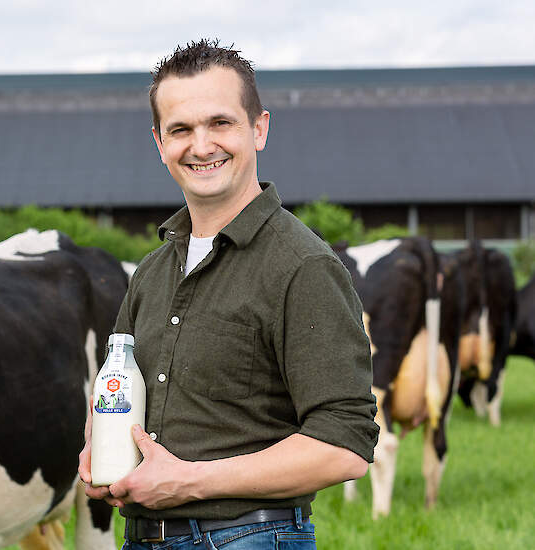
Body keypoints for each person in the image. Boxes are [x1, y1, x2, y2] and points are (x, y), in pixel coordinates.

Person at [78, 39, 379, 549]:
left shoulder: (303, 266)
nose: (201, 146)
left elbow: (344, 445)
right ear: (159, 143)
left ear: (259, 128)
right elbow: (116, 386)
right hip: (143, 536)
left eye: (220, 123)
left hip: (249, 536)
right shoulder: (151, 272)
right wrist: (97, 449)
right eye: (181, 129)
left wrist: (189, 480)